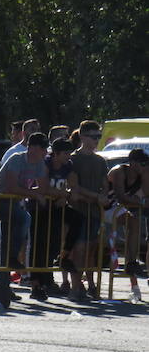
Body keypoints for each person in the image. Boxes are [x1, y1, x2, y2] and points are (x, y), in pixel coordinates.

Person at [0, 132, 50, 285]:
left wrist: (35, 193)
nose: (45, 152)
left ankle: (3, 284)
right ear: (33, 148)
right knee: (25, 218)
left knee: (9, 238)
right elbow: (11, 188)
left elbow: (43, 188)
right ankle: (13, 258)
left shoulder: (40, 163)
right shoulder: (17, 159)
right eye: (43, 148)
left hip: (14, 203)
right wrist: (34, 194)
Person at [28, 138, 78, 300]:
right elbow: (43, 187)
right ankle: (36, 284)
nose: (68, 156)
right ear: (55, 153)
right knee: (39, 245)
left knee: (76, 219)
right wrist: (62, 194)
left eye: (69, 153)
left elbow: (72, 185)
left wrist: (68, 194)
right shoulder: (45, 164)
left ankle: (64, 256)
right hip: (40, 208)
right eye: (65, 153)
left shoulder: (68, 165)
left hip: (55, 207)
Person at [69, 120, 109, 301]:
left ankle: (91, 285)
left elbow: (104, 186)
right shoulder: (73, 159)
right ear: (83, 136)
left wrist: (103, 196)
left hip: (94, 213)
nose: (97, 140)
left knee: (90, 250)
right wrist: (96, 197)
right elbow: (74, 187)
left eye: (99, 136)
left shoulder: (100, 161)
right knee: (78, 249)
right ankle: (75, 288)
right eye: (94, 137)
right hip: (76, 212)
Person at [107, 148, 148, 281]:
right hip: (103, 207)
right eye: (143, 163)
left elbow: (144, 196)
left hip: (116, 209)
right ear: (132, 163)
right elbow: (121, 197)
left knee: (134, 222)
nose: (145, 166)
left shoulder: (142, 176)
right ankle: (130, 262)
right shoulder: (119, 171)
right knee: (133, 222)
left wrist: (139, 201)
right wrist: (140, 202)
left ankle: (131, 262)